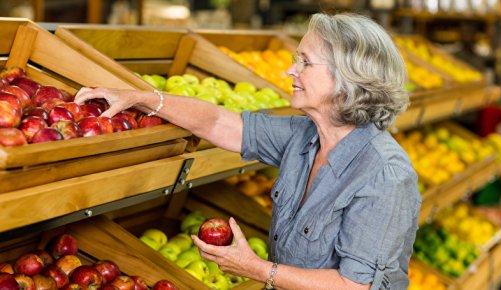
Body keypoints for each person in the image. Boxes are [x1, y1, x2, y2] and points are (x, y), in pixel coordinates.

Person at [75, 12, 421, 290]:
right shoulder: (305, 137)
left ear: (348, 78)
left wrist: (257, 270)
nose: (290, 70)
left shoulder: (385, 175)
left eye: (305, 61)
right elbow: (218, 123)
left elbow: (354, 285)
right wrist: (143, 98)